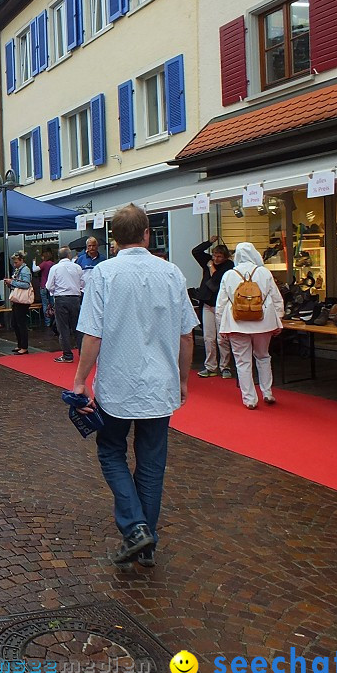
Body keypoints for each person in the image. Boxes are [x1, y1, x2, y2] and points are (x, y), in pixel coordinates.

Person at [72, 204, 197, 567]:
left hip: (117, 385)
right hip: (160, 385)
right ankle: (146, 541)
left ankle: (136, 527)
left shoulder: (103, 274)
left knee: (111, 452)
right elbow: (186, 335)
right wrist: (183, 379)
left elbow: (92, 335)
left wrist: (80, 379)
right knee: (152, 463)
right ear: (147, 234)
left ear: (113, 240)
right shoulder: (171, 273)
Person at [216, 243, 285, 410]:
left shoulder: (229, 274)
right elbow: (276, 299)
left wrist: (221, 327)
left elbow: (221, 304)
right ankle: (267, 391)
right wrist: (279, 320)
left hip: (236, 323)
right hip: (264, 322)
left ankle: (249, 399)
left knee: (242, 362)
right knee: (263, 356)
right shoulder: (264, 272)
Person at [192, 237, 235, 379]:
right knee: (208, 337)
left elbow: (216, 280)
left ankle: (225, 366)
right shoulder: (209, 260)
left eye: (219, 256)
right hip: (207, 303)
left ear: (225, 257)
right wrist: (209, 242)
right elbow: (196, 251)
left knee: (222, 337)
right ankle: (210, 366)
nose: (216, 259)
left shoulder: (229, 266)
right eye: (214, 256)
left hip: (220, 304)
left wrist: (211, 266)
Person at [47, 248, 84, 363]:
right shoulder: (77, 267)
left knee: (63, 328)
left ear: (58, 256)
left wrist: (55, 293)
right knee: (78, 328)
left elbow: (49, 286)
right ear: (69, 255)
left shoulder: (55, 268)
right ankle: (83, 354)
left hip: (61, 299)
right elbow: (83, 283)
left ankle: (67, 355)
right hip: (75, 298)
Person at [4, 251, 33, 355]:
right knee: (15, 322)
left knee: (21, 323)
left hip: (22, 300)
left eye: (16, 262)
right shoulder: (19, 270)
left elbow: (26, 284)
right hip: (18, 299)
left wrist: (12, 282)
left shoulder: (25, 270)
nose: (14, 264)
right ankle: (20, 344)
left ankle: (24, 346)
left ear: (21, 260)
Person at [36, 251, 56, 331]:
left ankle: (47, 322)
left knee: (45, 304)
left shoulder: (44, 263)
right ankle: (54, 320)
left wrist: (34, 262)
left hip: (43, 286)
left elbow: (34, 270)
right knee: (53, 304)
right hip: (51, 286)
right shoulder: (53, 264)